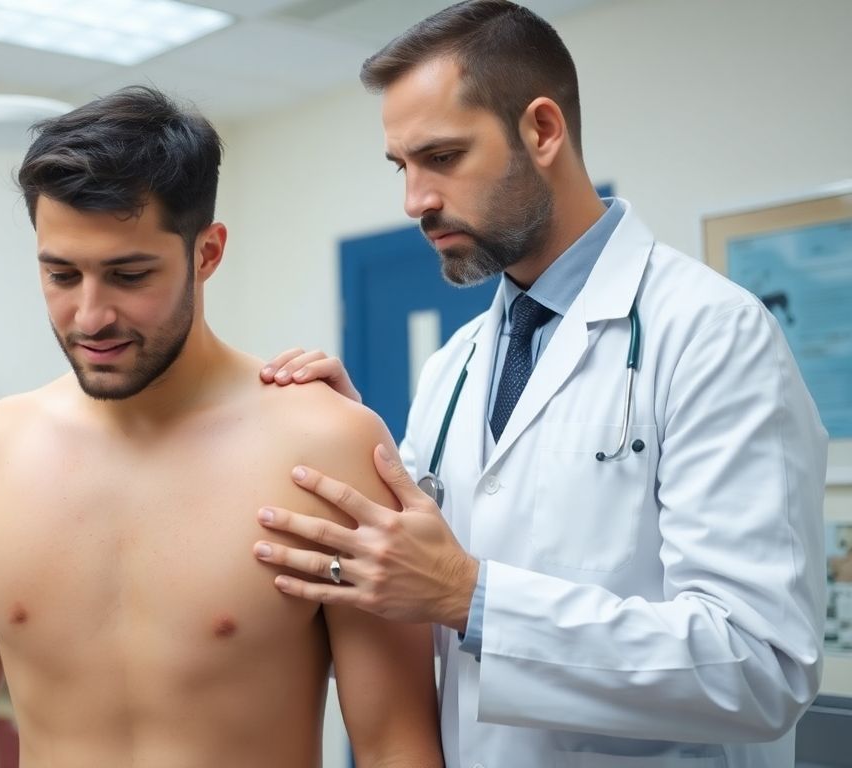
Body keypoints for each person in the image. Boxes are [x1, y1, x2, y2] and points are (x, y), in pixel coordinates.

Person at [253, 1, 829, 765]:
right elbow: (422, 603)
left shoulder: (712, 333)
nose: (414, 201)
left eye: (442, 157)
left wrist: (470, 596)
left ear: (543, 130)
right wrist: (367, 462)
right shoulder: (454, 366)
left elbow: (761, 667)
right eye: (403, 166)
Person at [0, 86, 442, 767]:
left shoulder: (326, 446)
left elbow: (395, 745)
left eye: (128, 274)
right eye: (60, 274)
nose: (89, 316)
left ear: (207, 253)